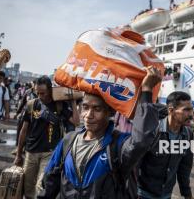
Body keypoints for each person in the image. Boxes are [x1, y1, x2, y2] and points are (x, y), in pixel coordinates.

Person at [38, 66, 162, 198]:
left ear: (110, 113)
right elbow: (50, 181)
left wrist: (147, 91)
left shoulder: (118, 145)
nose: (88, 115)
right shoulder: (68, 141)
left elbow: (141, 141)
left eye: (97, 109)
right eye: (85, 107)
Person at [14, 76, 80, 199]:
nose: (40, 96)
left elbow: (76, 122)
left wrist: (73, 101)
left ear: (50, 90)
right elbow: (23, 131)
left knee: (41, 187)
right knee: (28, 188)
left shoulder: (59, 105)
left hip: (49, 154)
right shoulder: (31, 105)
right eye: (37, 92)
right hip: (30, 152)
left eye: (43, 93)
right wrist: (18, 154)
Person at [137, 91, 194, 199]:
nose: (191, 114)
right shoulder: (153, 130)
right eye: (186, 110)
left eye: (191, 109)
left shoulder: (187, 135)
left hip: (166, 195)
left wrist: (187, 194)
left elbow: (184, 168)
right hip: (142, 194)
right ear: (171, 110)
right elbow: (135, 163)